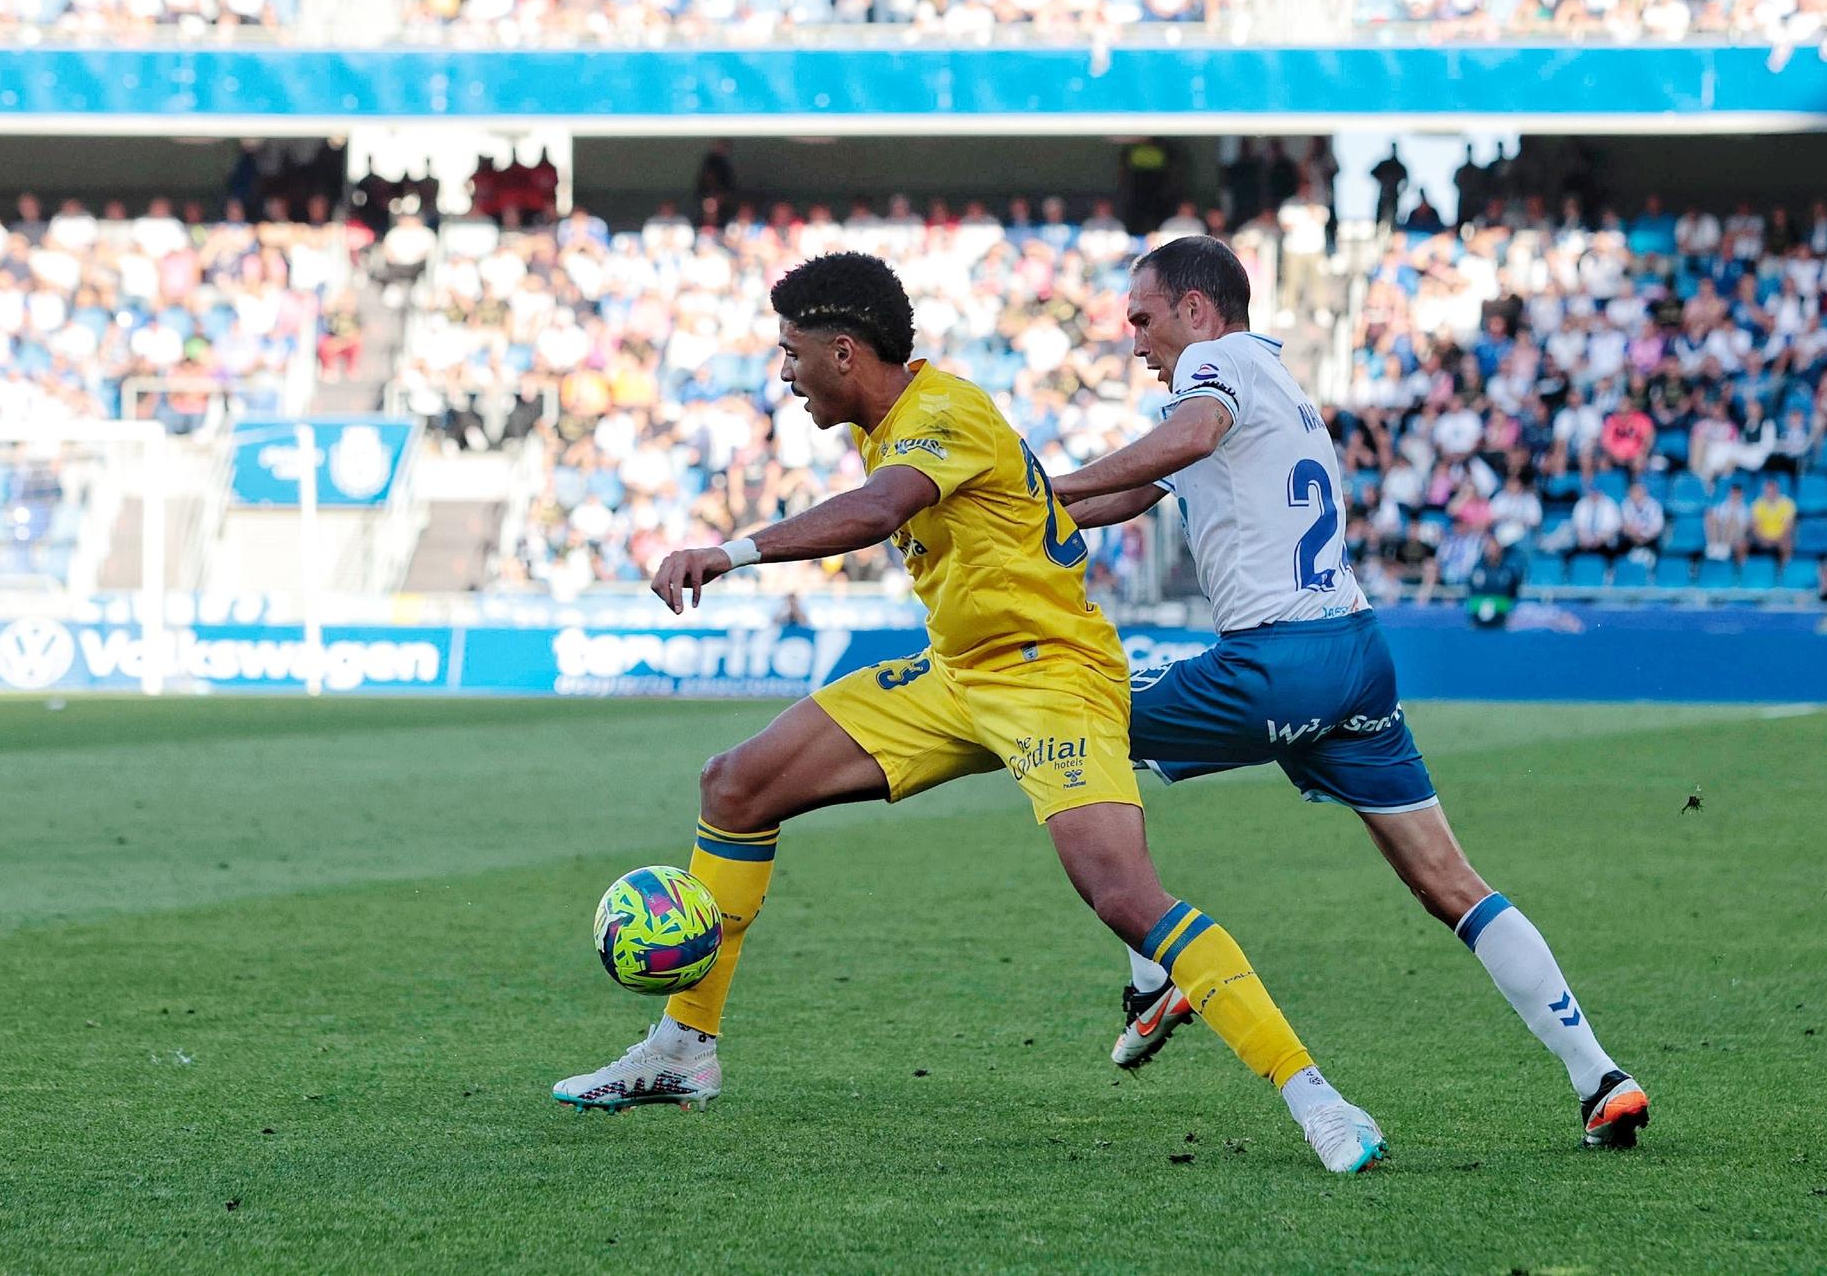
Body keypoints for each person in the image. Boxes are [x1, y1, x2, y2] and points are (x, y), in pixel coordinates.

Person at [551, 253, 1389, 1174]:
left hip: (1052, 676)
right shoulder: (888, 417)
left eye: (791, 354)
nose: (783, 373)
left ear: (843, 351)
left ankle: (1317, 1096)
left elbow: (880, 511)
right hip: (959, 672)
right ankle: (682, 1048)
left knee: (1122, 894)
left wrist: (735, 551)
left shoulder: (941, 412)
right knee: (736, 784)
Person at [1053, 236, 1650, 1151]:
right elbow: (1130, 493)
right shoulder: (1273, 383)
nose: (1134, 340)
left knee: (1073, 715)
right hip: (1356, 654)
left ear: (1197, 309)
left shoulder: (1212, 372)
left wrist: (1047, 483)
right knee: (1448, 880)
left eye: (1142, 317)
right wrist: (1025, 509)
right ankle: (1600, 1075)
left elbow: (1187, 437)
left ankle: (1152, 970)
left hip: (1276, 658)